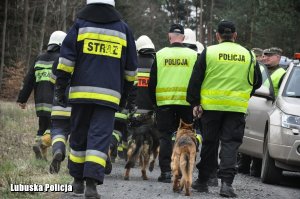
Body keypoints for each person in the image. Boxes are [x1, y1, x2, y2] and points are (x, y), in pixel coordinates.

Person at [54, 0, 138, 198]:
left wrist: (60, 87)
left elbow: (66, 60)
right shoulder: (123, 30)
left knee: (79, 135)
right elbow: (131, 70)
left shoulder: (80, 26)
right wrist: (124, 95)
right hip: (109, 97)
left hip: (81, 95)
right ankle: (91, 184)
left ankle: (76, 182)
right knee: (99, 138)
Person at [187, 20, 262, 197]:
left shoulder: (210, 52)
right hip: (236, 108)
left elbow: (195, 79)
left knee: (210, 143)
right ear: (235, 35)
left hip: (211, 106)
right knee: (230, 144)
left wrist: (194, 103)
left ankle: (203, 181)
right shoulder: (248, 54)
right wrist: (243, 95)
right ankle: (226, 184)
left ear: (217, 36)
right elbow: (257, 81)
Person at [148, 24, 198, 183]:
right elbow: (198, 80)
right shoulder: (193, 55)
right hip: (186, 103)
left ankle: (166, 173)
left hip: (164, 103)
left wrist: (154, 103)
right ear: (183, 38)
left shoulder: (160, 54)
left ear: (169, 37)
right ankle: (183, 171)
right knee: (186, 137)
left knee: (165, 137)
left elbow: (152, 82)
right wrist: (196, 102)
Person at [17, 30, 67, 160]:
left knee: (42, 127)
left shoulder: (39, 59)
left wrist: (22, 99)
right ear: (62, 44)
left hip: (40, 103)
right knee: (55, 129)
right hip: (55, 102)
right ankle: (41, 144)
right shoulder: (61, 60)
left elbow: (28, 80)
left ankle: (41, 157)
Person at [237, 47, 264, 177]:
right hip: (246, 104)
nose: (263, 58)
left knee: (255, 136)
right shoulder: (251, 63)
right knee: (246, 135)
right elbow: (257, 82)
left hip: (263, 106)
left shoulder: (278, 71)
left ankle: (254, 168)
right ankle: (243, 165)